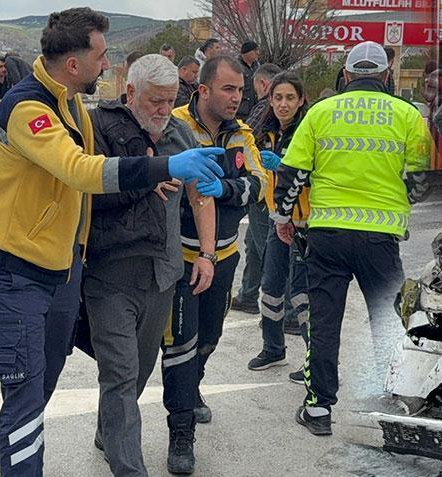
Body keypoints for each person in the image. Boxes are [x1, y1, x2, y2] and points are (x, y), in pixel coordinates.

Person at [0, 8, 225, 475]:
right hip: (17, 267)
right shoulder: (31, 108)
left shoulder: (67, 102)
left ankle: (9, 447)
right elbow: (80, 171)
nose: (106, 64)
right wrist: (163, 169)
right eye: (102, 56)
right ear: (74, 63)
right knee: (27, 388)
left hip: (64, 268)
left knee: (42, 384)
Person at [271, 41, 431, 436]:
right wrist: (394, 198)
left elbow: (292, 174)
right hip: (380, 240)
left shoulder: (320, 113)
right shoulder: (407, 115)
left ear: (345, 75)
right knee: (388, 319)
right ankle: (395, 398)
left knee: (324, 323)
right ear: (385, 76)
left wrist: (283, 216)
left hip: (327, 237)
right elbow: (421, 181)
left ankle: (319, 409)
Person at [85, 54, 217, 476]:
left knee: (138, 373)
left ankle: (109, 432)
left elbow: (200, 197)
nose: (163, 110)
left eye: (170, 100)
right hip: (110, 274)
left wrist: (207, 255)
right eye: (155, 101)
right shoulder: (101, 130)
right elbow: (84, 187)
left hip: (162, 274)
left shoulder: (180, 135)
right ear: (130, 94)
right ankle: (129, 467)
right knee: (120, 375)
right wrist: (144, 180)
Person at [164, 54, 273, 474]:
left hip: (224, 255)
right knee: (180, 345)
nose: (237, 98)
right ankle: (181, 433)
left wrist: (227, 187)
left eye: (241, 90)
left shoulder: (239, 133)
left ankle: (193, 389)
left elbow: (261, 183)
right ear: (203, 90)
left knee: (209, 336)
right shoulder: (174, 126)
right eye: (228, 89)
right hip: (179, 258)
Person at [246, 72, 309, 377]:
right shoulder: (267, 131)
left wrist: (281, 164)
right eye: (278, 98)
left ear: (301, 101)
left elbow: (309, 174)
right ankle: (273, 349)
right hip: (277, 218)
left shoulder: (307, 131)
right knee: (270, 286)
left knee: (302, 294)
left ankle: (314, 360)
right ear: (269, 100)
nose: (283, 104)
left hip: (305, 223)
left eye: (290, 98)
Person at [230, 62, 282, 315]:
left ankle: (288, 311)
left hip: (265, 188)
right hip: (271, 187)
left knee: (267, 248)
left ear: (262, 84)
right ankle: (248, 294)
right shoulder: (277, 110)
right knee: (253, 243)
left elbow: (244, 141)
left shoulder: (264, 109)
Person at [237, 40, 260, 120]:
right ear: (246, 52)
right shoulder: (236, 66)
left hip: (254, 111)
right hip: (240, 112)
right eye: (255, 50)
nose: (257, 53)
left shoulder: (257, 66)